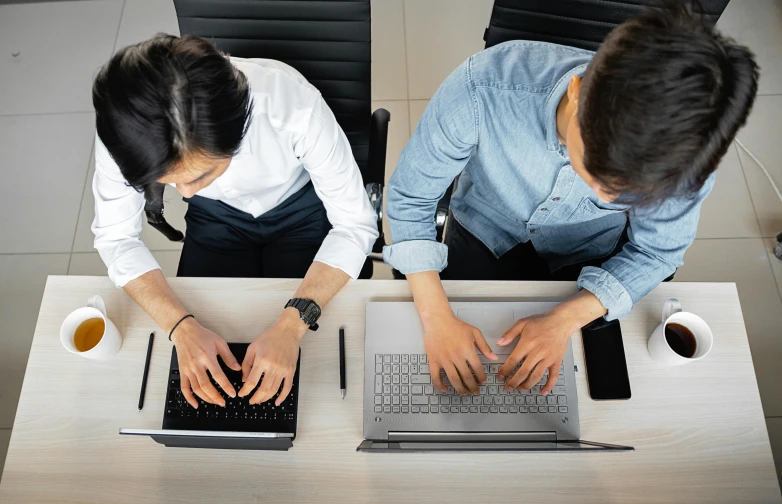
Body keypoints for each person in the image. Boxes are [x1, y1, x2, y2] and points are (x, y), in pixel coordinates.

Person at [383, 4, 758, 395]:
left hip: (587, 258)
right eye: (596, 172)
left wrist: (565, 319)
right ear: (576, 90)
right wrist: (436, 317)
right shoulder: (484, 88)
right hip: (483, 231)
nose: (607, 197)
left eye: (628, 192)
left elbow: (657, 252)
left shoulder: (685, 158)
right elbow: (411, 197)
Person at [91, 35, 378, 409]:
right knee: (210, 354)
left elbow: (355, 225)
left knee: (309, 361)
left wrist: (292, 325)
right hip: (215, 218)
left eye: (199, 175)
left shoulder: (291, 105)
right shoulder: (124, 127)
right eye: (170, 182)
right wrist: (180, 328)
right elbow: (116, 239)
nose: (185, 195)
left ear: (238, 129)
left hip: (302, 206)